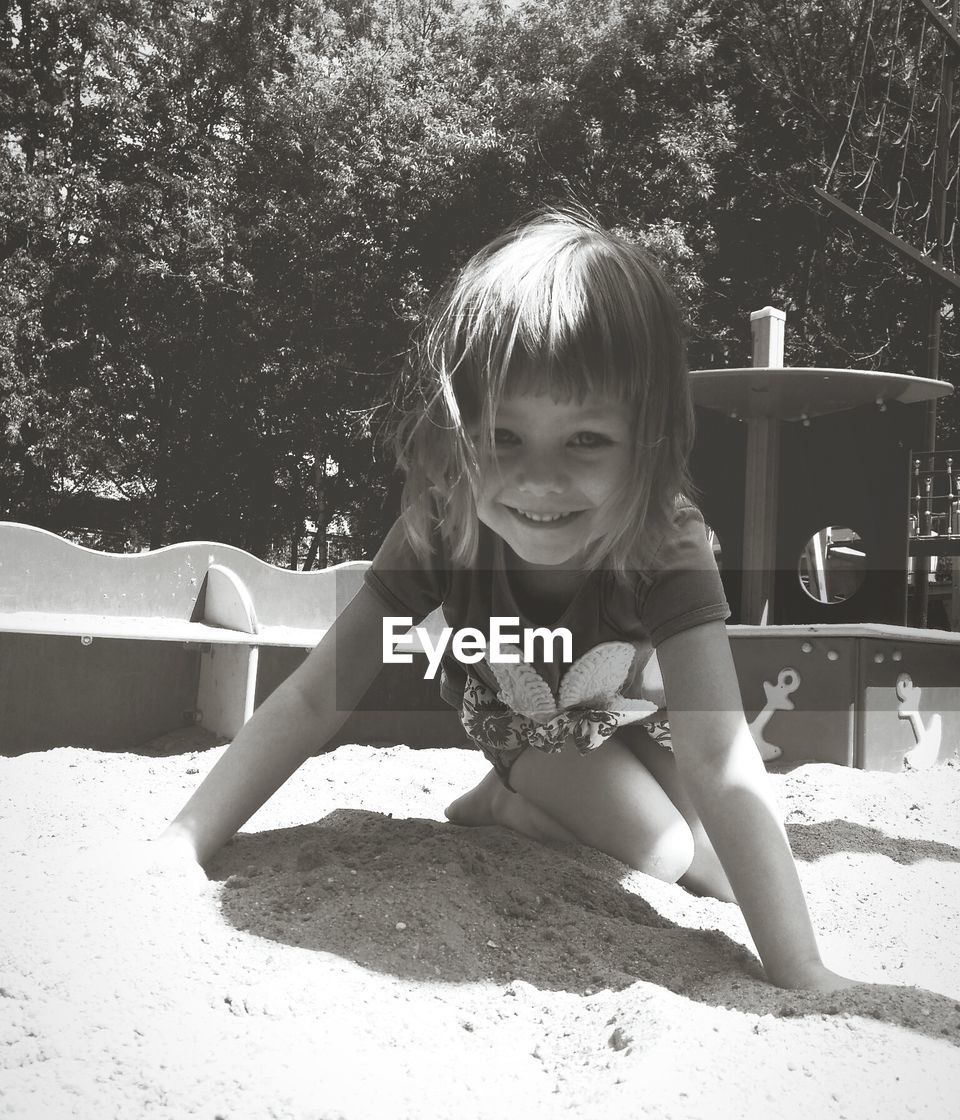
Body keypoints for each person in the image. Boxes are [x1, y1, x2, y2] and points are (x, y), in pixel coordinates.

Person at [152, 209, 856, 992]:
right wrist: (185, 840)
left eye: (586, 440)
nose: (540, 482)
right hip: (534, 727)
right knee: (662, 855)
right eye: (501, 437)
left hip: (636, 720)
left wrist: (801, 969)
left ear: (648, 443)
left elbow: (720, 757)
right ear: (456, 436)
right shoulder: (441, 527)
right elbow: (317, 697)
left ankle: (520, 802)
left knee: (728, 874)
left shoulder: (665, 541)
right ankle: (509, 797)